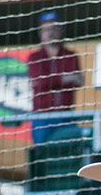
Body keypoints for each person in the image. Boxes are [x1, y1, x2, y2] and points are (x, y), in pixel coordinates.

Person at [27, 12, 83, 143]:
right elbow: (40, 82)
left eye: (54, 29)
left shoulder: (70, 55)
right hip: (42, 116)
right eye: (46, 30)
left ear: (60, 31)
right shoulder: (35, 57)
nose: (50, 33)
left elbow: (78, 81)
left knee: (69, 151)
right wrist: (66, 78)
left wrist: (51, 80)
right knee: (42, 154)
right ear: (40, 33)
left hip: (66, 114)